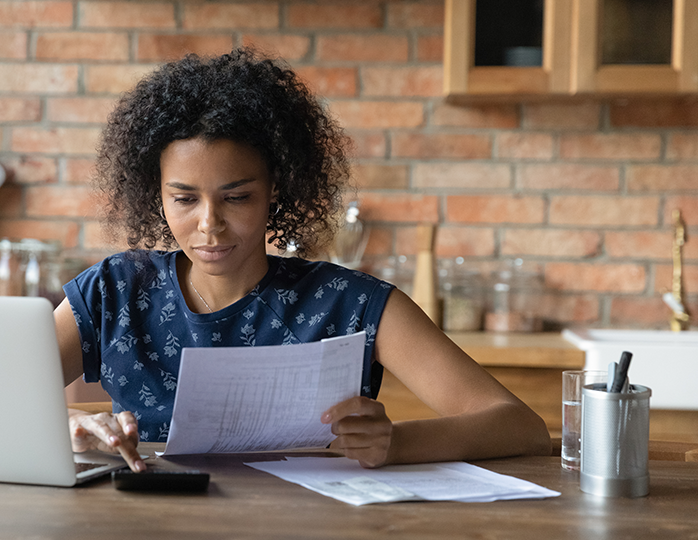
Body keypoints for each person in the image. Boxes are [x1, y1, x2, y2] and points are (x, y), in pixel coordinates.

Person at [54, 49, 551, 473]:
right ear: (156, 195)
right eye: (185, 199)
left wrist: (398, 442)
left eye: (237, 197)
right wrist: (68, 425)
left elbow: (519, 426)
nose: (209, 223)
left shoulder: (350, 304)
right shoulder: (114, 292)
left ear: (276, 190)